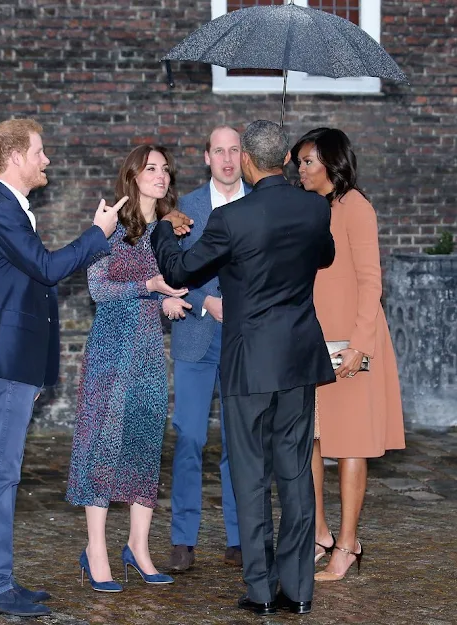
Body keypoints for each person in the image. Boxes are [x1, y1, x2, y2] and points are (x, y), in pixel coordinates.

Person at [151, 120, 336, 617]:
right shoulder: (314, 207)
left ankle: (260, 591)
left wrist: (166, 231)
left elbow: (179, 272)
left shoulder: (232, 219)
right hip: (298, 359)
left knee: (251, 476)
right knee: (296, 475)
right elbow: (325, 256)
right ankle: (297, 591)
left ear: (250, 162)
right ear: (285, 161)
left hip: (250, 363)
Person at [0, 118, 126, 617]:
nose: (47, 160)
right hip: (7, 360)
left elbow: (28, 288)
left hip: (16, 363)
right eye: (40, 152)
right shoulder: (1, 211)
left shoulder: (11, 210)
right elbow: (49, 269)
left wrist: (35, 373)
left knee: (4, 473)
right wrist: (98, 234)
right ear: (15, 157)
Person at [66, 145, 191, 592]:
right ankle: (95, 550)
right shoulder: (113, 226)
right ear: (133, 176)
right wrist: (150, 285)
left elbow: (159, 286)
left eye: (165, 170)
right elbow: (98, 288)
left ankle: (138, 547)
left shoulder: (166, 231)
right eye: (151, 168)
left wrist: (167, 298)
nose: (161, 175)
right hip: (111, 350)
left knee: (142, 445)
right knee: (101, 445)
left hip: (148, 353)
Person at [291, 127, 405, 582]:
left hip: (352, 346)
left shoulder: (356, 207)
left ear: (331, 163)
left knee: (351, 445)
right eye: (297, 161)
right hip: (312, 343)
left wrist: (360, 345)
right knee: (313, 441)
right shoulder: (307, 209)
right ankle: (319, 533)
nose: (300, 168)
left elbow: (370, 281)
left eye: (307, 161)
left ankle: (348, 544)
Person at [167, 126, 252, 572]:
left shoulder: (261, 203)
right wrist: (204, 302)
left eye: (234, 150)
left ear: (244, 155)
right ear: (206, 157)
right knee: (191, 438)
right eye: (218, 151)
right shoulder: (187, 211)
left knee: (239, 442)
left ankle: (240, 538)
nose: (226, 159)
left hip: (246, 341)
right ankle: (183, 538)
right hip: (197, 336)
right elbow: (171, 269)